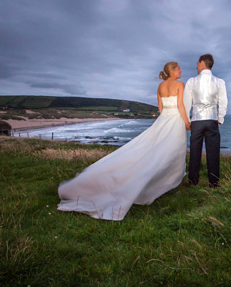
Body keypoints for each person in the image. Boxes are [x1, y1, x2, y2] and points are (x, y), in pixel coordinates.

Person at [58, 62, 191, 221]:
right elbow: (181, 106)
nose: (181, 70)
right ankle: (166, 182)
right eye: (178, 69)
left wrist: (166, 118)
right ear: (173, 71)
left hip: (163, 120)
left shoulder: (161, 86)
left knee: (157, 150)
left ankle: (165, 180)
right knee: (172, 150)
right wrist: (187, 123)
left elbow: (161, 108)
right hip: (175, 120)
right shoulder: (179, 84)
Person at [183, 54, 228, 188]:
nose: (196, 66)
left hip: (196, 120)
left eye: (197, 63)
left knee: (195, 152)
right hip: (212, 120)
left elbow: (187, 103)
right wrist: (220, 119)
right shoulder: (220, 82)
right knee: (213, 153)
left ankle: (193, 182)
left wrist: (187, 120)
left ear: (202, 63)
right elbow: (223, 103)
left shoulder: (191, 81)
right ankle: (213, 183)